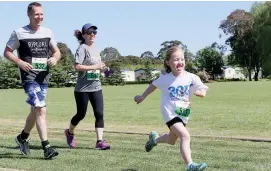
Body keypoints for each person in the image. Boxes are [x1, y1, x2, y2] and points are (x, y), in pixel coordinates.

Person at [134, 46, 208, 171]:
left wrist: (201, 92)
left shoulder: (191, 77)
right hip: (170, 112)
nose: (180, 62)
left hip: (183, 113)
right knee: (185, 136)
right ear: (168, 62)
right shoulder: (165, 78)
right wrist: (142, 96)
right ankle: (190, 165)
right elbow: (153, 86)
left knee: (171, 140)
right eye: (176, 59)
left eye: (182, 59)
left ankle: (154, 140)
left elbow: (202, 87)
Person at [3, 2, 61, 159]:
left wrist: (55, 59)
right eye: (36, 14)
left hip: (43, 77)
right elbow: (7, 52)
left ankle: (22, 137)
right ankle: (47, 147)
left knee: (35, 110)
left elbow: (56, 52)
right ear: (29, 15)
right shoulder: (19, 32)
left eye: (41, 14)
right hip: (29, 78)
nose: (40, 17)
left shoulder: (48, 32)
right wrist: (20, 62)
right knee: (41, 109)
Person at [64, 23, 110, 150]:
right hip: (82, 89)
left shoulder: (96, 49)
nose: (92, 35)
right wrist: (95, 67)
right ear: (84, 35)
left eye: (94, 32)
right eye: (90, 32)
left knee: (99, 114)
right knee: (81, 114)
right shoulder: (82, 48)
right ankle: (70, 132)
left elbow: (98, 65)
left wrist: (105, 70)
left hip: (96, 87)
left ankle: (99, 141)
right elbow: (77, 66)